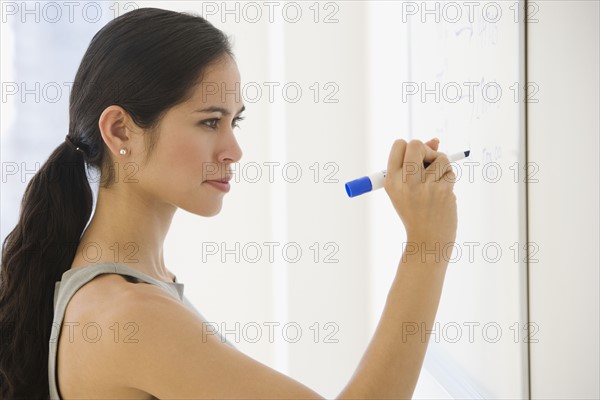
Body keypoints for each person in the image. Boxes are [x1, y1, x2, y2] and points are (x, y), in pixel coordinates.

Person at [0, 7, 457, 400]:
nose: (233, 150)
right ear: (121, 131)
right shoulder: (130, 314)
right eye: (209, 122)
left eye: (233, 121)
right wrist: (427, 243)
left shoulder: (139, 287)